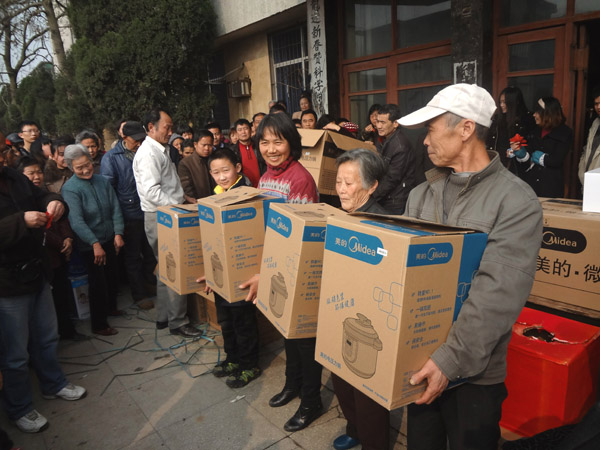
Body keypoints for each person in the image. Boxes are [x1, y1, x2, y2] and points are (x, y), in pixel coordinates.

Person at [396, 83, 543, 450]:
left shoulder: (515, 201)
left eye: (430, 129)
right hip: (419, 360)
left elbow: (498, 294)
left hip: (475, 374)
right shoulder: (420, 194)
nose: (424, 141)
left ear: (465, 129)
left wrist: (449, 360)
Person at [0, 147, 86, 433]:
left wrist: (54, 201)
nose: (2, 157)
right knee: (15, 354)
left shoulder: (13, 176)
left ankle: (53, 383)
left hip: (36, 271)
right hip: (7, 284)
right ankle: (20, 407)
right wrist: (20, 221)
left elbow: (41, 195)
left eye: (3, 151)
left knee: (47, 337)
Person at [254, 113, 323, 432]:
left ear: (291, 144)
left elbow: (301, 239)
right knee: (288, 334)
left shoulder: (300, 179)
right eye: (264, 142)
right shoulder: (265, 177)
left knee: (305, 339)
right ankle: (292, 385)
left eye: (278, 142)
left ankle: (311, 401)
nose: (271, 149)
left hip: (297, 269)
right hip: (275, 267)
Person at [330, 149, 390, 450]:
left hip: (370, 319)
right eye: (338, 182)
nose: (341, 189)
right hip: (343, 311)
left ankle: (373, 443)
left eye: (349, 183)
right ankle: (354, 429)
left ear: (372, 185)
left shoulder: (383, 224)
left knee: (367, 391)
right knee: (341, 377)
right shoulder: (340, 216)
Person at [132, 109, 201, 339]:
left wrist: (184, 198)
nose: (171, 132)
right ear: (151, 127)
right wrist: (177, 207)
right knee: (175, 268)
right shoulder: (148, 154)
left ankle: (163, 317)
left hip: (166, 213)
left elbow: (167, 184)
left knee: (165, 268)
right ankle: (178, 322)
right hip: (163, 216)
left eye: (171, 127)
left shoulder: (160, 149)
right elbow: (152, 192)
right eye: (167, 127)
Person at [203, 148, 260, 388]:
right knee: (226, 321)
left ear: (237, 168)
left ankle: (249, 365)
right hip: (221, 273)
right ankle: (233, 358)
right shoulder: (217, 194)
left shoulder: (245, 195)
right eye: (215, 172)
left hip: (241, 272)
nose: (221, 177)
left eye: (225, 170)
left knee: (242, 322)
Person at [62, 144, 124, 336]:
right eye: (79, 167)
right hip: (89, 244)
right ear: (71, 168)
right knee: (98, 282)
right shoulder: (70, 189)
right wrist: (94, 243)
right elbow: (76, 221)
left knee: (113, 275)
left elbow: (115, 207)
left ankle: (111, 307)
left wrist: (118, 233)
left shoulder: (102, 181)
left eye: (87, 164)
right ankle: (99, 324)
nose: (85, 170)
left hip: (109, 237)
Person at [17, 156, 81, 340]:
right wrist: (60, 243)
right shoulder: (22, 200)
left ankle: (68, 330)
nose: (36, 176)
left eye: (39, 172)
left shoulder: (46, 194)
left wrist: (68, 238)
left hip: (60, 254)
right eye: (31, 173)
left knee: (62, 294)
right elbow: (41, 230)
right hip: (44, 256)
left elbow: (61, 220)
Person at [100, 121, 157, 310]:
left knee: (150, 252)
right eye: (135, 140)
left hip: (148, 210)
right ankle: (139, 295)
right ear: (124, 137)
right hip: (128, 214)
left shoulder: (147, 151)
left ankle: (151, 284)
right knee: (133, 257)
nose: (139, 143)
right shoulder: (111, 158)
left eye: (142, 139)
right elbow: (109, 191)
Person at [514, 97, 573, 198]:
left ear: (548, 113)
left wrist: (541, 158)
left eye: (537, 112)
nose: (534, 115)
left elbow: (557, 160)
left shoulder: (565, 132)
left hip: (551, 186)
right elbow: (529, 153)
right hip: (531, 185)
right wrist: (522, 154)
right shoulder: (534, 130)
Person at [373, 103, 418, 214]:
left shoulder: (400, 146)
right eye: (377, 122)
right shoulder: (385, 139)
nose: (379, 126)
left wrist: (371, 196)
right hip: (386, 196)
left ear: (395, 123)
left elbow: (392, 178)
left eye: (383, 122)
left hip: (395, 200)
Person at [486, 86, 536, 175]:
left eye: (505, 102)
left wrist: (516, 152)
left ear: (515, 102)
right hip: (495, 164)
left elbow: (530, 144)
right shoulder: (497, 119)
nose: (501, 105)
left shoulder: (527, 120)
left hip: (516, 168)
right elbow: (490, 140)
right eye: (500, 102)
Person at [178, 129, 216, 203]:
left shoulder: (216, 159)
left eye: (210, 145)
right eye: (204, 145)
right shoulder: (186, 163)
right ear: (195, 144)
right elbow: (187, 188)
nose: (207, 148)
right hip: (198, 203)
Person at [232, 118, 265, 188]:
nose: (243, 132)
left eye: (246, 128)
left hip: (263, 185)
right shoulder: (233, 151)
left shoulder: (259, 146)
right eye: (240, 130)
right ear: (236, 133)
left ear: (250, 130)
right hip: (245, 187)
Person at [578, 85, 600, 186]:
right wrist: (581, 172)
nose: (598, 107)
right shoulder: (596, 123)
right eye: (596, 104)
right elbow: (587, 149)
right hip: (589, 180)